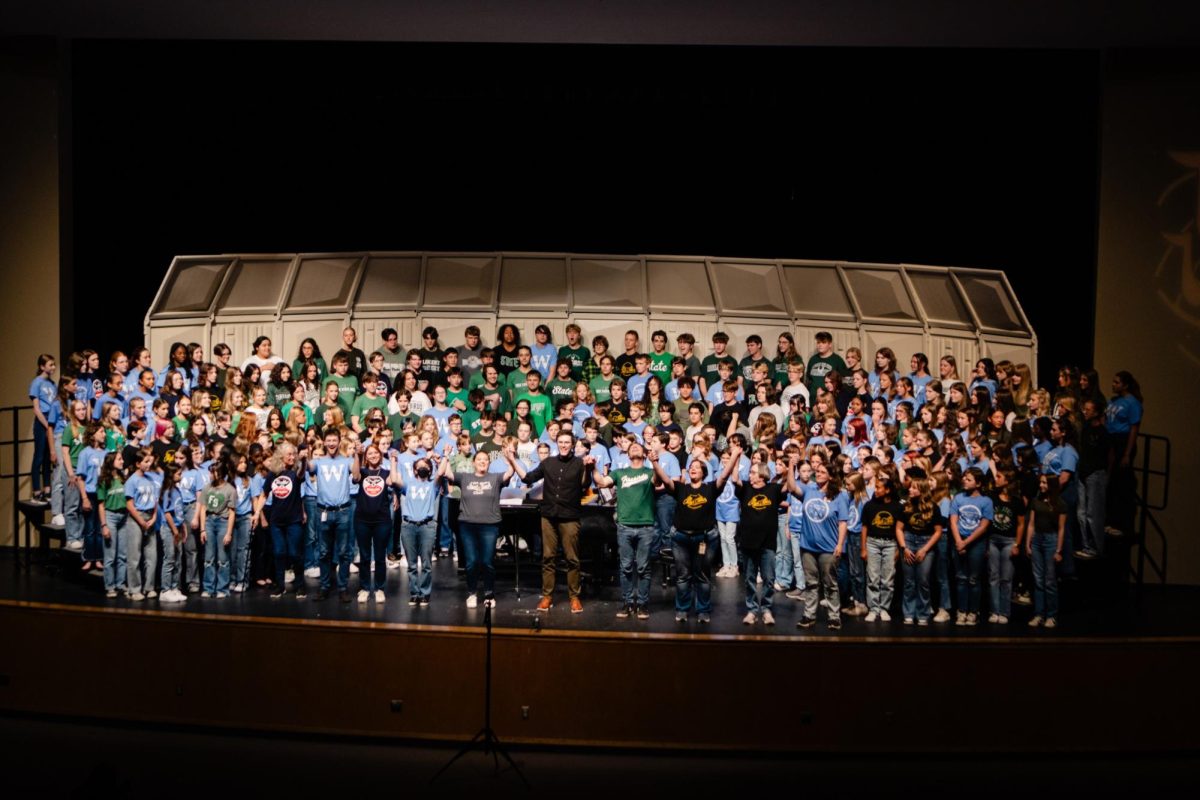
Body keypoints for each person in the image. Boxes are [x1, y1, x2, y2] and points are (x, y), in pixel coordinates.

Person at [508, 430, 594, 613]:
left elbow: (585, 485)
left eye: (567, 442)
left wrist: (588, 468)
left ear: (572, 444)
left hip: (569, 516)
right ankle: (547, 596)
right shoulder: (548, 462)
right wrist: (513, 460)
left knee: (572, 558)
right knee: (548, 557)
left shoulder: (579, 464)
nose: (563, 445)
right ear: (557, 444)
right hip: (548, 516)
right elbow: (528, 478)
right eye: (560, 442)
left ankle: (574, 597)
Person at [650, 442, 736, 624]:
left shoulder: (710, 488)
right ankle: (682, 609)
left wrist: (735, 455)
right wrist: (655, 463)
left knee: (702, 575)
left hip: (705, 538)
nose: (693, 469)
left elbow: (725, 475)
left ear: (704, 472)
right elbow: (665, 480)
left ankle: (703, 610)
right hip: (681, 538)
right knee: (683, 576)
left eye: (697, 467)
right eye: (691, 467)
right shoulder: (682, 488)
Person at [444, 444, 517, 609]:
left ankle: (489, 593)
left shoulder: (495, 478)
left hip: (489, 526)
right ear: (474, 462)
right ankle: (472, 593)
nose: (482, 462)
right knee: (471, 562)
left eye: (485, 460)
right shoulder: (465, 477)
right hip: (467, 525)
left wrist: (510, 458)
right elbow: (447, 473)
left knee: (487, 561)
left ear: (489, 463)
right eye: (479, 459)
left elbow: (509, 473)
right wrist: (446, 456)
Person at [593, 440, 657, 620]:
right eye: (631, 447)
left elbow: (659, 480)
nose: (635, 447)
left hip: (645, 526)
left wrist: (656, 462)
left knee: (644, 567)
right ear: (627, 454)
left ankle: (643, 604)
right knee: (626, 567)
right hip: (624, 526)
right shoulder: (619, 473)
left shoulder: (650, 472)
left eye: (638, 446)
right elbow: (601, 482)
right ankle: (628, 603)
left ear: (644, 453)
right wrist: (593, 467)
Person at [785, 458, 849, 630]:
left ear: (830, 476)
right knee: (811, 583)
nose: (817, 474)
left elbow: (843, 521)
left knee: (830, 583)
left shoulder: (840, 495)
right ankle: (809, 615)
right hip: (808, 546)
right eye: (817, 471)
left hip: (828, 547)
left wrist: (840, 544)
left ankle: (834, 616)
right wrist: (791, 466)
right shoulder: (810, 489)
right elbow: (791, 486)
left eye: (821, 472)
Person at [307, 428, 362, 602]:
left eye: (334, 440)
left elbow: (356, 476)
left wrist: (358, 455)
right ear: (324, 442)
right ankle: (324, 587)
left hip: (343, 511)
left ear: (339, 442)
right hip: (323, 511)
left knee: (344, 552)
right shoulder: (319, 461)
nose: (331, 443)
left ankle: (343, 587)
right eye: (328, 440)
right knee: (324, 552)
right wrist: (307, 453)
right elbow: (309, 468)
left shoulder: (346, 460)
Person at [732, 452, 783, 625]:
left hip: (767, 542)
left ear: (762, 475)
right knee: (749, 578)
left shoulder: (773, 489)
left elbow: (789, 487)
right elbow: (735, 479)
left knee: (769, 578)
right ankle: (752, 610)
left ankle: (767, 609)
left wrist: (792, 465)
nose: (750, 474)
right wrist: (736, 457)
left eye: (753, 472)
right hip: (748, 541)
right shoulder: (746, 488)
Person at [391, 450, 442, 607]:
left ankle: (425, 593)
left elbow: (441, 474)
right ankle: (414, 593)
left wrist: (442, 457)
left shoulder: (432, 485)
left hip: (427, 526)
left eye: (425, 466)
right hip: (409, 526)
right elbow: (394, 479)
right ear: (414, 470)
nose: (422, 468)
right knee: (412, 564)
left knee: (426, 563)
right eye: (419, 466)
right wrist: (393, 460)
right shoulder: (408, 484)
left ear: (429, 469)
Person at [949, 466, 994, 626]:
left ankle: (973, 611)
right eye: (964, 478)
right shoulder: (958, 498)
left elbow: (983, 525)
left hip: (976, 543)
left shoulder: (986, 501)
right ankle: (961, 610)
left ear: (978, 483)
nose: (964, 481)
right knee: (961, 578)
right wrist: (958, 541)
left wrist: (966, 542)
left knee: (974, 579)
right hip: (959, 540)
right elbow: (953, 520)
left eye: (969, 479)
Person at [898, 474, 943, 625]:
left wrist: (925, 549)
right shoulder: (906, 506)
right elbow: (899, 529)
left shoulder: (933, 507)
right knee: (909, 581)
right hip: (909, 541)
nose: (910, 489)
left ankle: (923, 613)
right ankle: (909, 613)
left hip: (926, 542)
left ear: (922, 490)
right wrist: (904, 547)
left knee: (923, 580)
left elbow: (938, 531)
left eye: (913, 488)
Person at [860, 469, 902, 622]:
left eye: (878, 487)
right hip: (872, 542)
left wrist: (898, 548)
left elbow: (899, 529)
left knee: (887, 579)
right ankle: (873, 608)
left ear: (888, 490)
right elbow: (864, 528)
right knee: (872, 577)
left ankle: (884, 608)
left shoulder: (897, 507)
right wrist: (863, 548)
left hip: (890, 544)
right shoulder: (870, 506)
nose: (875, 490)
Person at [1026, 474, 1067, 628]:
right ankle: (1039, 614)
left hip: (1051, 540)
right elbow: (1031, 524)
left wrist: (1059, 549)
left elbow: (1062, 529)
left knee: (1049, 581)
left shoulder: (1060, 504)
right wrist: (1027, 544)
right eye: (1040, 482)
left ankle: (1051, 615)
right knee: (1038, 580)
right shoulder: (1036, 501)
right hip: (1037, 540)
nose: (1041, 485)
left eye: (1044, 483)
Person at [986, 466, 1025, 624]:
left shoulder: (1016, 501)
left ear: (1007, 480)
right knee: (993, 577)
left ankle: (1004, 612)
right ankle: (994, 611)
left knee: (1006, 578)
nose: (996, 479)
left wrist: (1017, 543)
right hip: (993, 540)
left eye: (999, 476)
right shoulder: (992, 497)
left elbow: (1021, 524)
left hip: (1009, 541)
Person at [121, 447, 161, 602]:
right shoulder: (132, 480)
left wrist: (154, 517)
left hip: (150, 517)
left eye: (149, 461)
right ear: (138, 463)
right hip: (136, 518)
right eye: (146, 461)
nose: (149, 464)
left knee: (152, 555)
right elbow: (129, 505)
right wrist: (141, 521)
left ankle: (149, 587)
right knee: (134, 556)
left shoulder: (150, 478)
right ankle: (134, 588)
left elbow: (155, 500)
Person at [29, 354, 59, 502]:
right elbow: (36, 408)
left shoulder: (53, 384)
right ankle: (36, 490)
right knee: (39, 456)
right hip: (43, 423)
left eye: (54, 365)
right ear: (42, 366)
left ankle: (47, 489)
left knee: (48, 456)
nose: (53, 367)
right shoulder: (37, 383)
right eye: (50, 365)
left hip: (51, 421)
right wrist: (47, 425)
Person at [805, 332, 848, 399]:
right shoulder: (813, 359)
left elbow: (843, 382)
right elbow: (808, 380)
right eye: (818, 342)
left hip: (829, 401)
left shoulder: (838, 360)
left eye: (823, 342)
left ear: (830, 344)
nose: (820, 345)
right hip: (812, 400)